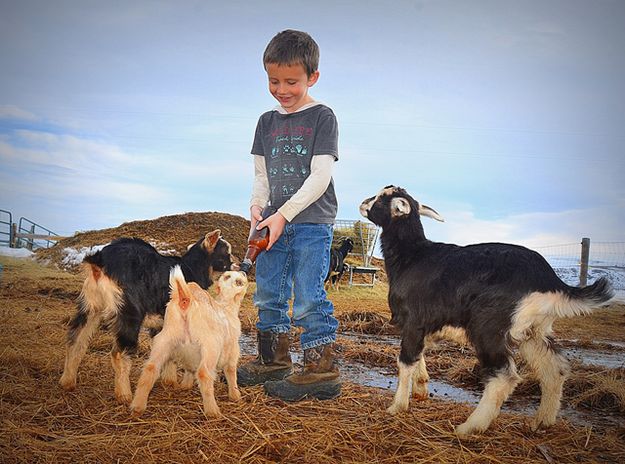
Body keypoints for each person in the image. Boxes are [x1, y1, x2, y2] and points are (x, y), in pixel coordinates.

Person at [237, 29, 340, 401]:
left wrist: (282, 215)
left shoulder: (322, 117)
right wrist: (256, 210)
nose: (282, 89)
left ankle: (320, 369)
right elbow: (261, 176)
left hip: (311, 223)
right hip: (271, 224)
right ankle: (274, 360)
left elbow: (320, 176)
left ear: (312, 77)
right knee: (267, 292)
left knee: (309, 294)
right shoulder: (266, 122)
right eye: (273, 80)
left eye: (291, 81)